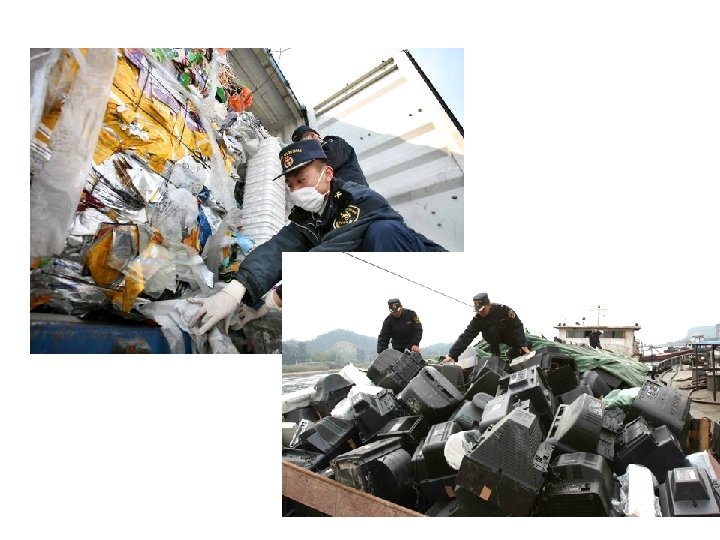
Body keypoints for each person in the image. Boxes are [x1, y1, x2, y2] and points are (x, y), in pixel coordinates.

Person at [188, 139, 445, 335]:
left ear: (328, 174)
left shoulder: (359, 199)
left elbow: (330, 254)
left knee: (382, 231)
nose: (296, 191)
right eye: (291, 186)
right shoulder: (308, 217)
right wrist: (234, 292)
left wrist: (274, 300)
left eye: (302, 180)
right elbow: (277, 249)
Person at [442, 292, 531, 364]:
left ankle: (511, 354)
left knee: (527, 344)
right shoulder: (478, 320)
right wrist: (452, 355)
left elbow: (517, 325)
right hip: (493, 339)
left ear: (489, 305)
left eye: (483, 309)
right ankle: (496, 355)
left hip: (508, 334)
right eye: (478, 310)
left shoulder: (503, 310)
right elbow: (465, 337)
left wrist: (522, 344)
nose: (481, 313)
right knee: (492, 330)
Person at [292, 125, 368, 186]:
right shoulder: (317, 154)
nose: (305, 148)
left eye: (304, 144)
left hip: (357, 192)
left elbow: (326, 162)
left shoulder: (335, 143)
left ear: (312, 135)